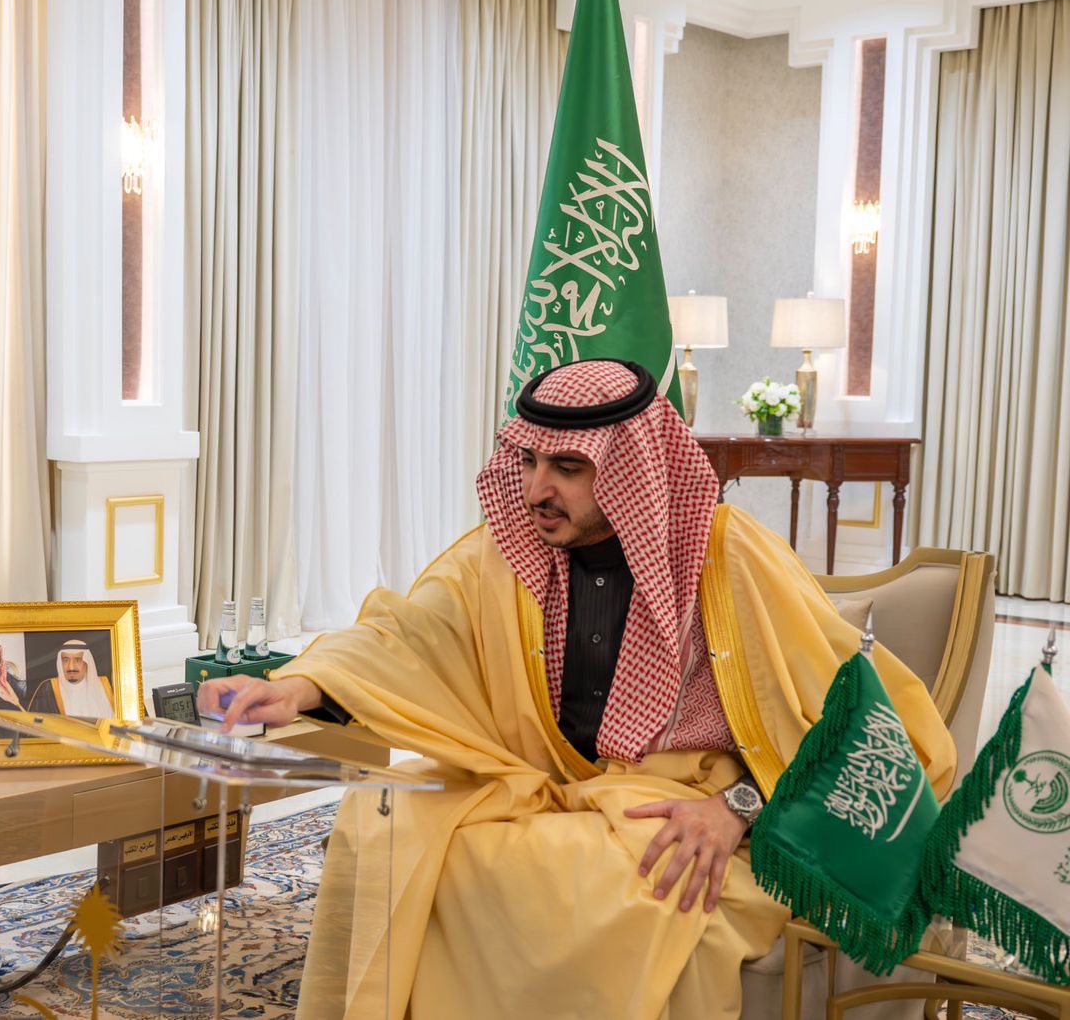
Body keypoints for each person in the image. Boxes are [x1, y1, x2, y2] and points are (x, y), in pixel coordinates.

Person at [199, 358, 955, 1019]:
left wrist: (736, 810)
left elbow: (855, 724)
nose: (537, 489)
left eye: (567, 467)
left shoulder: (730, 560)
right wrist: (299, 687)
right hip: (543, 787)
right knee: (386, 825)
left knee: (600, 889)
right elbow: (409, 633)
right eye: (528, 461)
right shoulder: (504, 554)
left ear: (629, 470)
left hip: (682, 801)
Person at [27, 639, 116, 716]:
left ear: (87, 662)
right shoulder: (48, 688)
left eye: (78, 660)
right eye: (66, 660)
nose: (71, 667)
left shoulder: (107, 686)